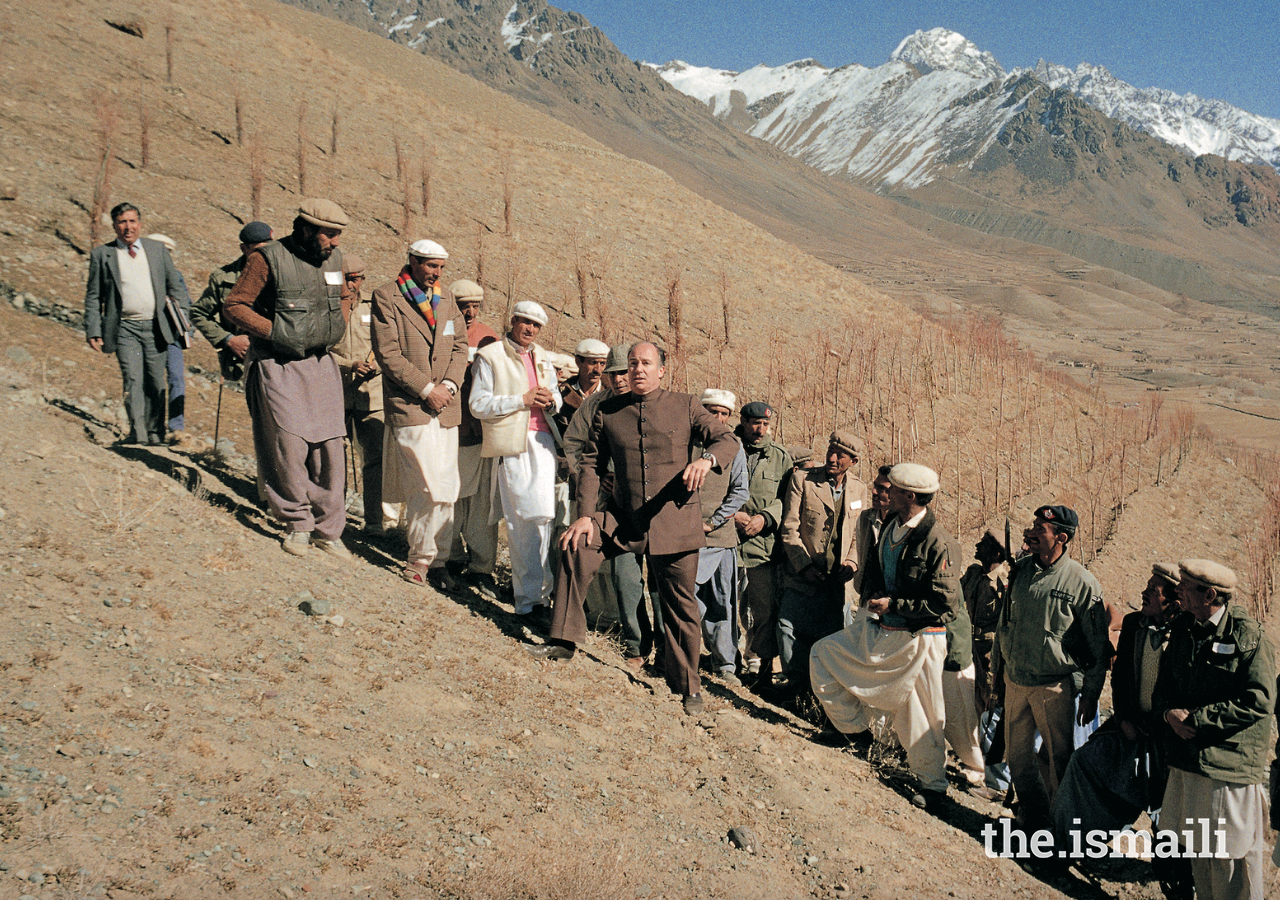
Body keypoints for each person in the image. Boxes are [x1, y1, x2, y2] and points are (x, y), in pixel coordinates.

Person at [535, 342, 737, 717]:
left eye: (646, 363)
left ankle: (688, 688)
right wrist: (584, 514)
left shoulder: (686, 404)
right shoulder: (608, 410)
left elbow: (726, 440)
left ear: (662, 369)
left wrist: (706, 461)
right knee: (576, 544)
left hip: (673, 521)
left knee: (680, 606)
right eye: (632, 364)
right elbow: (592, 464)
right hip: (622, 518)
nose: (638, 370)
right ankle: (563, 641)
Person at [810, 462, 963, 811]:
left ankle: (934, 787)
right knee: (824, 654)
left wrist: (894, 604)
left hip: (920, 638)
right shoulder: (892, 527)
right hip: (885, 629)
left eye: (891, 489)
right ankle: (853, 731)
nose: (884, 493)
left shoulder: (939, 542)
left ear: (909, 495)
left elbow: (944, 605)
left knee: (921, 713)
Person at [223, 198, 354, 559]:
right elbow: (235, 306)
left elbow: (344, 295)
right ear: (306, 229)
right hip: (277, 362)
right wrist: (276, 332)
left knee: (330, 447)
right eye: (330, 234)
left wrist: (337, 322)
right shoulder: (266, 259)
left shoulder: (336, 261)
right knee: (288, 443)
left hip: (320, 362)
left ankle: (329, 530)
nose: (336, 242)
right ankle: (297, 523)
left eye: (339, 235)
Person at [1051, 562, 1192, 894]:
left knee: (1166, 808)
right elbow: (1122, 678)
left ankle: (1176, 878)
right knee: (1085, 764)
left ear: (1172, 601)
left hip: (1167, 739)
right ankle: (1063, 848)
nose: (1144, 592)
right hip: (1129, 726)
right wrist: (1125, 717)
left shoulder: (1188, 634)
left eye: (1153, 590)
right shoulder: (1132, 625)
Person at [1154, 560, 1275, 900]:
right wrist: (1168, 715)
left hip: (1227, 770)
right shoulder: (1184, 629)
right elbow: (1164, 688)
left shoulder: (1247, 636)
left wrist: (1197, 720)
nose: (1177, 589)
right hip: (1189, 763)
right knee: (1199, 858)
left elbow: (1259, 700)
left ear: (1209, 595)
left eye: (1186, 585)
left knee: (1231, 864)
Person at [992, 505, 1109, 830]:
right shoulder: (1022, 571)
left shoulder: (1084, 584)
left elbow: (1098, 647)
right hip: (1016, 681)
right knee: (1017, 758)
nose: (1031, 532)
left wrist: (1090, 693)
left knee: (1059, 762)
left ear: (1061, 537)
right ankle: (1032, 818)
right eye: (1033, 525)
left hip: (1054, 686)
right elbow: (1006, 624)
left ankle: (1060, 830)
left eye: (1040, 528)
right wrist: (997, 674)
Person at [371, 240, 470, 587]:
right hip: (412, 406)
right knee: (424, 485)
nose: (436, 274)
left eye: (441, 267)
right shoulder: (387, 297)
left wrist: (450, 387)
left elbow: (460, 347)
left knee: (447, 486)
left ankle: (438, 559)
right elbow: (389, 354)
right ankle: (420, 557)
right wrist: (428, 390)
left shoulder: (448, 302)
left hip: (446, 407)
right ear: (412, 262)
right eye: (430, 266)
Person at [561, 344, 656, 671]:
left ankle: (657, 647)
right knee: (621, 575)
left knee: (655, 583)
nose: (618, 379)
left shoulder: (652, 405)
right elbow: (573, 447)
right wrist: (594, 477)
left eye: (623, 372)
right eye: (612, 373)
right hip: (604, 508)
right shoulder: (594, 406)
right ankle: (629, 643)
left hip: (650, 509)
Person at [470, 301, 562, 620]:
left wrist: (552, 401)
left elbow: (557, 398)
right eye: (525, 322)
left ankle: (542, 598)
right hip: (512, 443)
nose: (530, 330)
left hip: (543, 442)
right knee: (521, 519)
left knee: (544, 519)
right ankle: (527, 601)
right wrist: (521, 400)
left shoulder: (543, 357)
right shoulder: (491, 356)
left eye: (536, 326)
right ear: (513, 321)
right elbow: (478, 404)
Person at [83, 202, 190, 446]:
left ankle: (155, 434)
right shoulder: (103, 254)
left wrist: (182, 317)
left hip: (156, 327)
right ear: (115, 226)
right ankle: (137, 434)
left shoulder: (156, 250)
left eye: (132, 221)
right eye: (122, 222)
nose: (128, 227)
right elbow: (93, 296)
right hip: (124, 329)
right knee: (132, 379)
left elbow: (175, 286)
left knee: (155, 380)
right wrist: (93, 329)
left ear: (139, 224)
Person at [777, 431, 868, 694]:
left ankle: (822, 695)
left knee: (830, 640)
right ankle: (796, 688)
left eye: (841, 454)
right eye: (831, 450)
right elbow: (789, 528)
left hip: (837, 582)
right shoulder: (803, 480)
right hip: (802, 574)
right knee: (789, 628)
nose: (833, 457)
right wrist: (803, 566)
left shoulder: (859, 489)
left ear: (853, 461)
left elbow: (858, 536)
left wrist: (851, 563)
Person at [330, 253, 396, 535]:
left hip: (373, 394)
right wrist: (349, 366)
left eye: (356, 279)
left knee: (375, 458)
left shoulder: (375, 306)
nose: (351, 285)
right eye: (346, 279)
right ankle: (334, 517)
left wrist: (376, 366)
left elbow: (391, 347)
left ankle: (374, 522)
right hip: (335, 392)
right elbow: (319, 352)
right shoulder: (329, 307)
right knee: (335, 457)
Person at [732, 401, 793, 689]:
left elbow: (788, 500)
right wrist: (733, 515)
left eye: (765, 425)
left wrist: (766, 517)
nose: (760, 430)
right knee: (725, 604)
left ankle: (764, 670)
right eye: (755, 423)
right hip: (725, 541)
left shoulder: (780, 458)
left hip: (762, 548)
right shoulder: (727, 446)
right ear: (743, 421)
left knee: (764, 610)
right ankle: (726, 662)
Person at [447, 279, 501, 597]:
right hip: (451, 430)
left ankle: (482, 567)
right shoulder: (441, 331)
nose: (469, 312)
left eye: (475, 305)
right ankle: (451, 557)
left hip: (482, 434)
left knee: (482, 504)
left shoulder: (489, 336)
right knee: (451, 496)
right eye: (463, 304)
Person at [694, 389, 748, 684]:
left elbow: (740, 491)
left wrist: (713, 522)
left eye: (723, 413)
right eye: (711, 411)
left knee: (722, 603)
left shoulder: (734, 447)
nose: (717, 418)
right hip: (686, 538)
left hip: (721, 539)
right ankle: (684, 656)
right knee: (686, 601)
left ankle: (725, 664)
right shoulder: (686, 442)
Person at [191, 221, 272, 382]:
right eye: (257, 251)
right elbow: (198, 313)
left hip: (276, 358)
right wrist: (229, 339)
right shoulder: (223, 279)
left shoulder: (283, 275)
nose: (263, 257)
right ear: (244, 249)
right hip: (241, 362)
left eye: (267, 250)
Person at [145, 233, 196, 449]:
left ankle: (176, 428)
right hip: (148, 336)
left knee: (176, 379)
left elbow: (187, 304)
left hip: (172, 337)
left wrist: (188, 332)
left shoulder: (176, 276)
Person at [959, 528, 1009, 713]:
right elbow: (955, 597)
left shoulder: (1004, 583)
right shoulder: (973, 573)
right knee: (972, 698)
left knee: (991, 700)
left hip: (992, 651)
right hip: (971, 647)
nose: (977, 546)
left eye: (983, 544)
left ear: (996, 554)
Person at [552, 338, 609, 437]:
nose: (598, 370)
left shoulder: (612, 395)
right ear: (578, 362)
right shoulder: (562, 394)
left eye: (602, 364)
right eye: (593, 362)